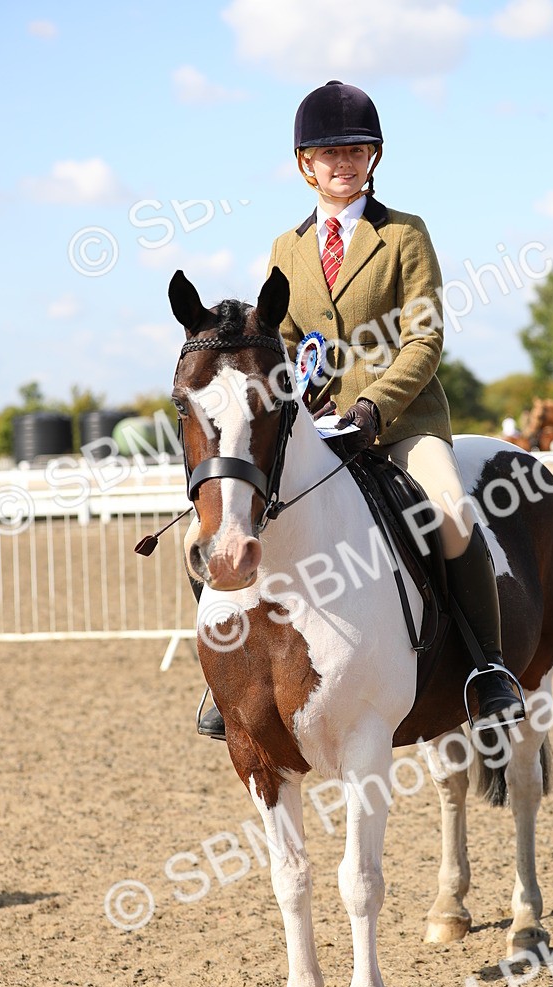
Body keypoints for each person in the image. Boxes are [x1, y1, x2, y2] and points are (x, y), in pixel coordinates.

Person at [198, 80, 524, 737]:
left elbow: (424, 337)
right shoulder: (287, 249)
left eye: (355, 150)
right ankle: (227, 676)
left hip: (401, 423)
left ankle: (487, 668)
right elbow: (278, 345)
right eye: (328, 153)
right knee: (217, 532)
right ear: (304, 165)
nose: (342, 163)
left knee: (453, 514)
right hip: (314, 428)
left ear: (373, 157)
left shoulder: (405, 234)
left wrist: (375, 403)